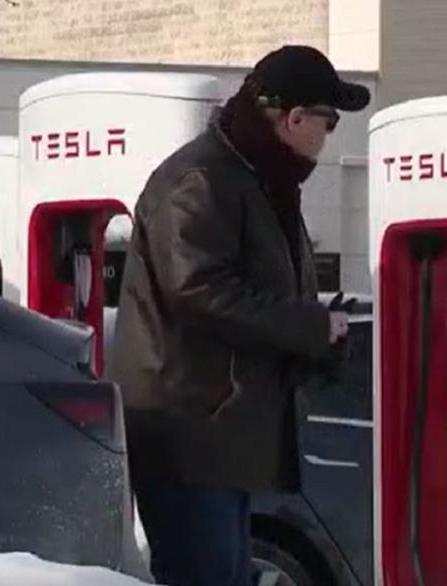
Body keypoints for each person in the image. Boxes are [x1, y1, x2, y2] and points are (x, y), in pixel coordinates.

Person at [107, 45, 371, 586]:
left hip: (218, 436)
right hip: (190, 437)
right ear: (295, 119)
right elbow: (198, 289)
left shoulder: (256, 180)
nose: (328, 137)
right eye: (329, 121)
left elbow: (245, 297)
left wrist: (317, 335)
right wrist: (309, 326)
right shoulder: (203, 181)